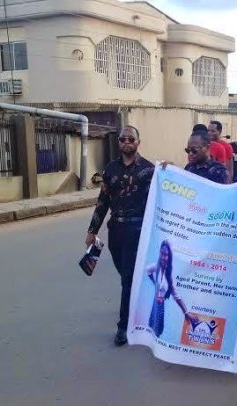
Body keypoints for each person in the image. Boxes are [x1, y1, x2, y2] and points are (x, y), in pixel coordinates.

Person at [85, 125, 154, 346]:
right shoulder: (111, 169)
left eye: (130, 139)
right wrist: (92, 230)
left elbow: (163, 197)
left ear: (138, 142)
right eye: (123, 139)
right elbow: (103, 201)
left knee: (127, 279)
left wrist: (168, 171)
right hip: (116, 231)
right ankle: (139, 304)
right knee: (126, 274)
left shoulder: (149, 170)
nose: (126, 142)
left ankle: (124, 327)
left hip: (137, 231)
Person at [147, 240, 197, 337]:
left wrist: (186, 312)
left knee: (157, 330)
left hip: (160, 305)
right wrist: (154, 283)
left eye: (166, 255)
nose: (163, 257)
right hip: (155, 304)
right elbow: (148, 271)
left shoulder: (169, 276)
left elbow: (176, 296)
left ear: (169, 257)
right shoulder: (156, 267)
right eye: (161, 253)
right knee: (151, 326)